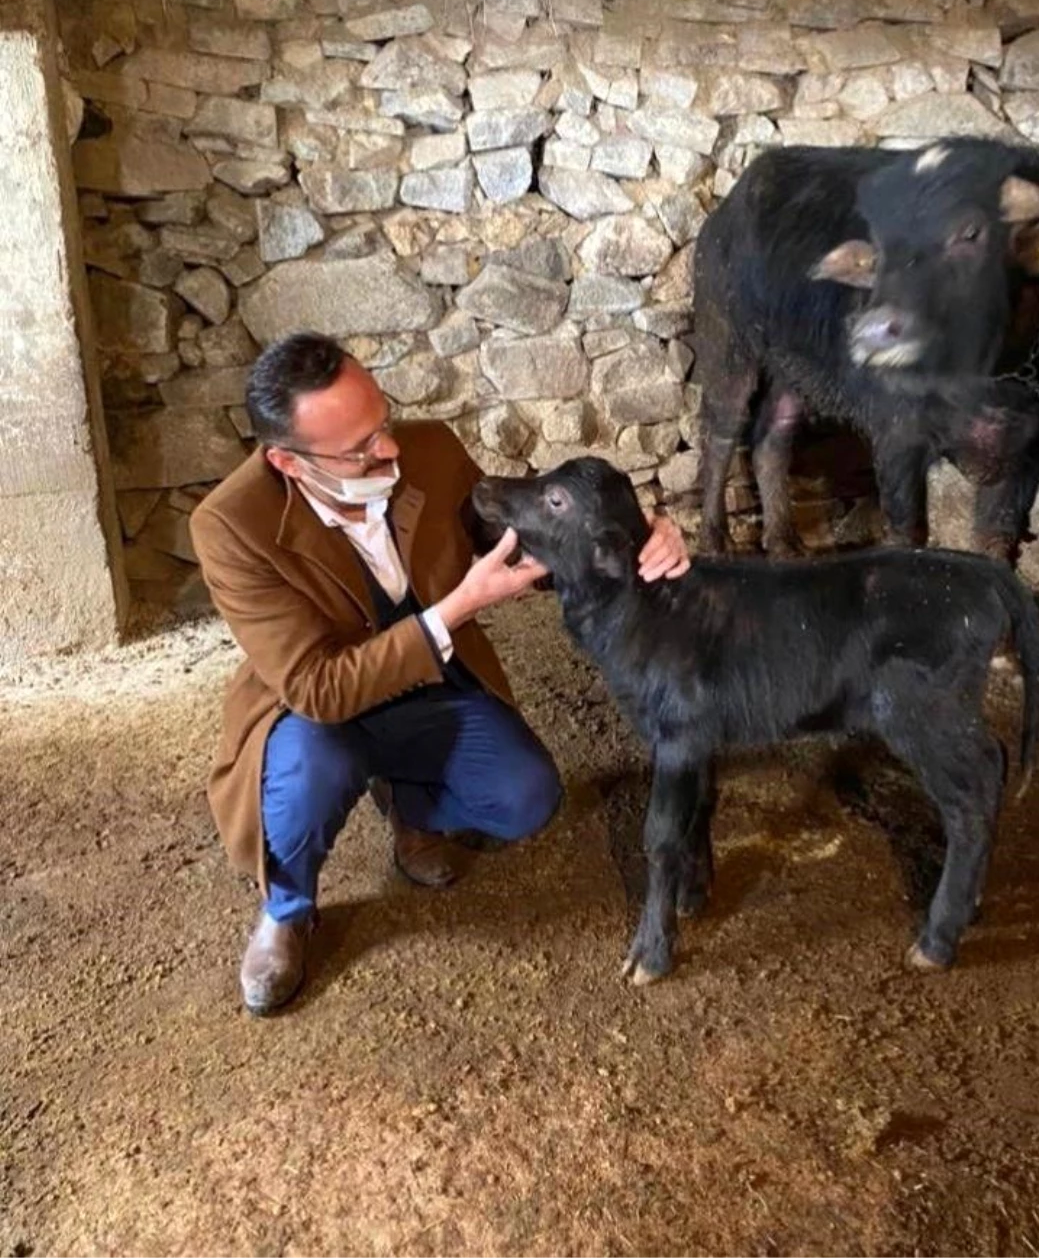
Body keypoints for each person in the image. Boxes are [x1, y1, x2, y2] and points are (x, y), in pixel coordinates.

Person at [190, 331, 690, 1015]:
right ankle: (288, 906)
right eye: (360, 447)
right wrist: (458, 608)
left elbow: (515, 544)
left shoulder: (428, 448)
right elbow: (316, 686)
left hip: (429, 688)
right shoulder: (228, 524)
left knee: (526, 797)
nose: (389, 450)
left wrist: (640, 536)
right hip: (316, 712)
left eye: (384, 424)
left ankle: (409, 806)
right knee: (312, 769)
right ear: (288, 460)